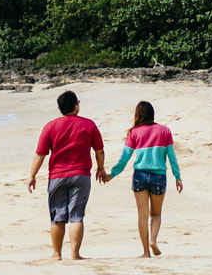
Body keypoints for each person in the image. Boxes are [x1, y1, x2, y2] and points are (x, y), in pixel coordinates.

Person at [27, 89, 109, 260]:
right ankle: (75, 254)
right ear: (76, 107)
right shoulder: (89, 125)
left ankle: (56, 254)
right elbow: (99, 150)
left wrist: (32, 175)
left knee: (57, 216)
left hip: (57, 176)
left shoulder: (50, 126)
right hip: (81, 175)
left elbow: (41, 154)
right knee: (76, 215)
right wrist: (101, 168)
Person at [107, 100, 182, 257]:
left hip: (140, 176)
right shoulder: (165, 131)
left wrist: (111, 174)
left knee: (143, 215)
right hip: (159, 176)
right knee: (156, 214)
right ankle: (153, 240)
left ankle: (146, 252)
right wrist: (177, 176)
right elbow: (172, 157)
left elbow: (124, 158)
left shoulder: (134, 133)